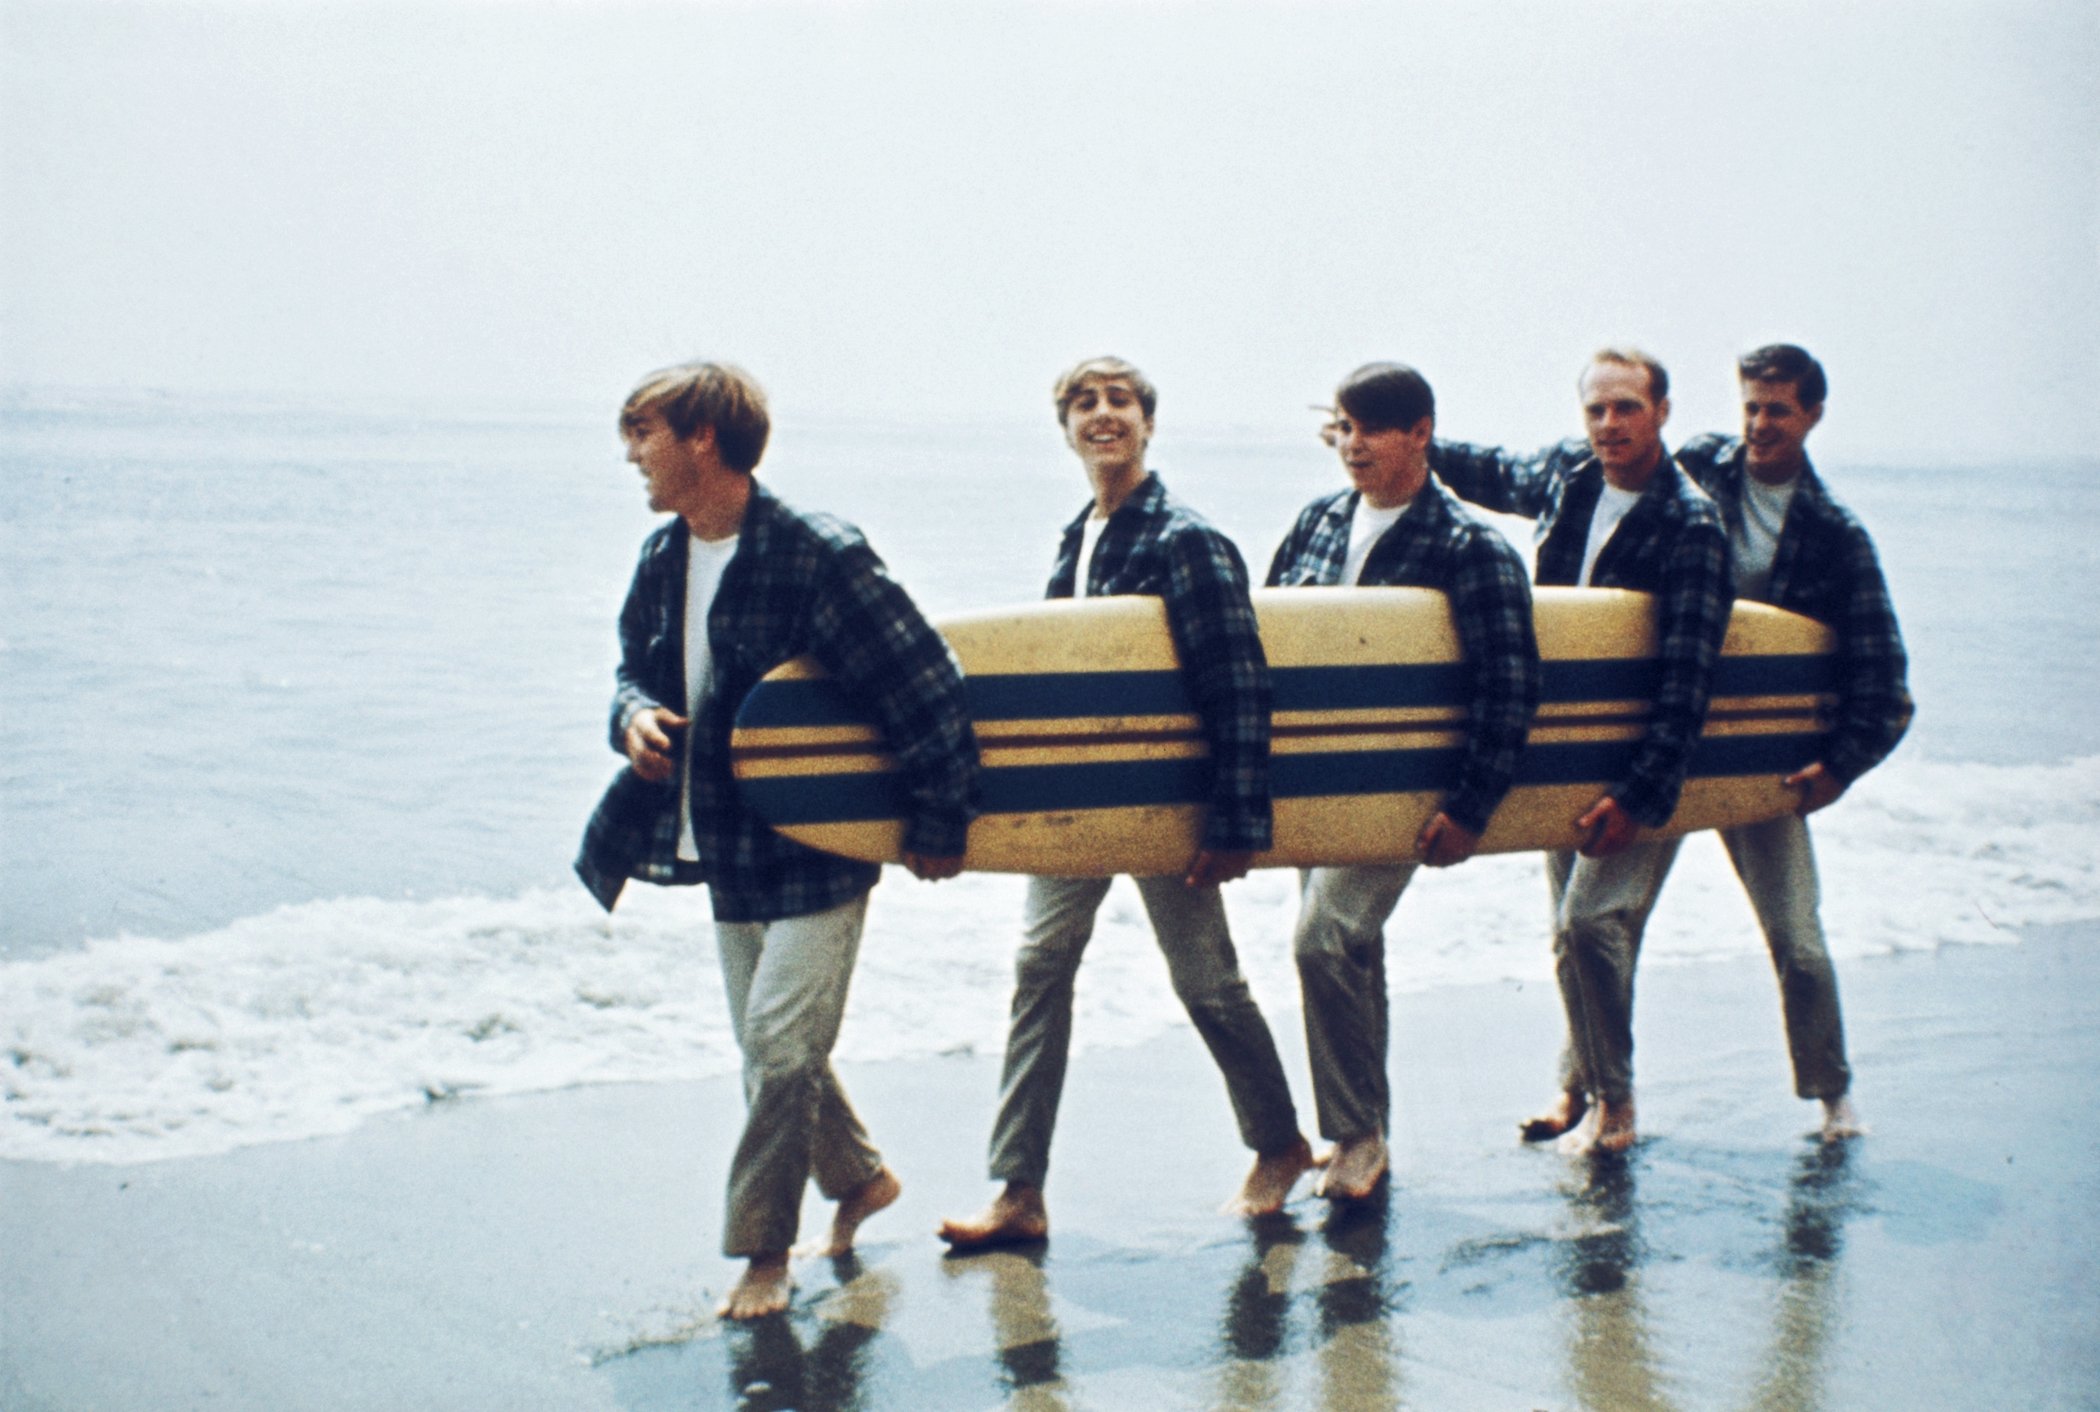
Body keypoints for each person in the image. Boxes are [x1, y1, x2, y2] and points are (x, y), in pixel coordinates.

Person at [575, 361, 979, 1319]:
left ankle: (763, 1251)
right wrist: (630, 717)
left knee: (780, 1045)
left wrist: (938, 818)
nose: (632, 454)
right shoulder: (662, 558)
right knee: (770, 1050)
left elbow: (925, 681)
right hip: (725, 838)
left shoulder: (815, 552)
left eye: (644, 433)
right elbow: (633, 673)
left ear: (702, 438)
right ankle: (860, 1179)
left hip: (823, 840)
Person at [938, 356, 1314, 1249]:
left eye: (1119, 401)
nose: (1102, 415)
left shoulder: (1185, 539)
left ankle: (1281, 1144)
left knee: (1206, 982)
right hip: (1080, 804)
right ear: (1064, 427)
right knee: (1040, 967)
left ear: (1148, 422)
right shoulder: (1080, 538)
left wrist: (1234, 825)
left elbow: (1239, 685)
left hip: (1164, 807)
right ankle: (1018, 1191)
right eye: (1083, 403)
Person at [1429, 348, 1733, 1153]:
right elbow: (1493, 471)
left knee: (1588, 926)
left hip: (1644, 765)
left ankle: (1617, 1102)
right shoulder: (1573, 474)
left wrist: (1638, 796)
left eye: (1626, 408)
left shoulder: (1693, 524)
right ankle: (1576, 1083)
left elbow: (1689, 681)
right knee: (1572, 931)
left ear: (1662, 411)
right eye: (1596, 409)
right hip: (1566, 752)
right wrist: (1408, 443)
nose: (1609, 425)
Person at [1267, 363, 1540, 1198]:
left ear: (1420, 432)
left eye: (1371, 429)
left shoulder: (1469, 548)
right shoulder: (1318, 520)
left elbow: (1512, 685)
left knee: (1323, 941)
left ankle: (1352, 1135)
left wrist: (1471, 808)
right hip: (1320, 783)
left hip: (1408, 789)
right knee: (1352, 948)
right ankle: (1371, 1133)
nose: (1353, 445)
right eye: (1343, 427)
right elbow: (1272, 634)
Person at [1674, 343, 1912, 1141]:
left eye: (1778, 409)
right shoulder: (1696, 471)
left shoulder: (1835, 533)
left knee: (1799, 943)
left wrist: (1840, 768)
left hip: (1757, 761)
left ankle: (1832, 1094)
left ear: (1812, 415)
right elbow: (1564, 473)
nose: (1759, 424)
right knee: (1599, 926)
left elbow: (1886, 681)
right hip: (1663, 746)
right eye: (1750, 406)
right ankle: (1596, 1096)